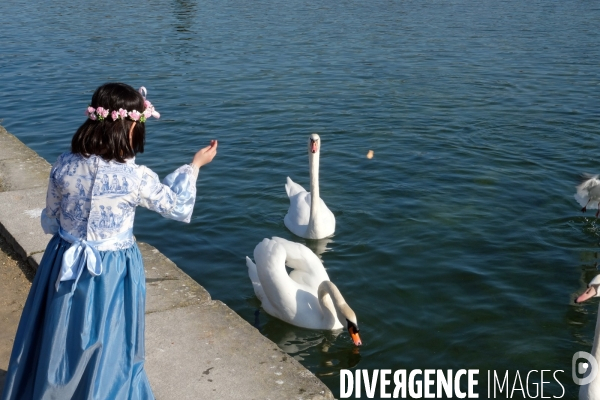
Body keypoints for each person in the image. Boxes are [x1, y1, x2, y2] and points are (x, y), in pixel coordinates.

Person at [1, 82, 217, 400]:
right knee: (109, 335)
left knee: (60, 332)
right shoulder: (135, 178)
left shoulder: (64, 164)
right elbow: (177, 205)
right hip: (112, 269)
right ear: (128, 127)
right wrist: (194, 166)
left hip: (64, 259)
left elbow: (50, 219)